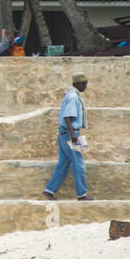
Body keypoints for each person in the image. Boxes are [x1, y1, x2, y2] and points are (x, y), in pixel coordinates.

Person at [43, 72, 91, 201]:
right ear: (79, 84)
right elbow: (67, 116)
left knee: (64, 163)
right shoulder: (73, 96)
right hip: (72, 133)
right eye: (85, 84)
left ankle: (49, 190)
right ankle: (82, 194)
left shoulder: (69, 94)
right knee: (79, 163)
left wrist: (64, 132)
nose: (86, 87)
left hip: (64, 132)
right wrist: (73, 135)